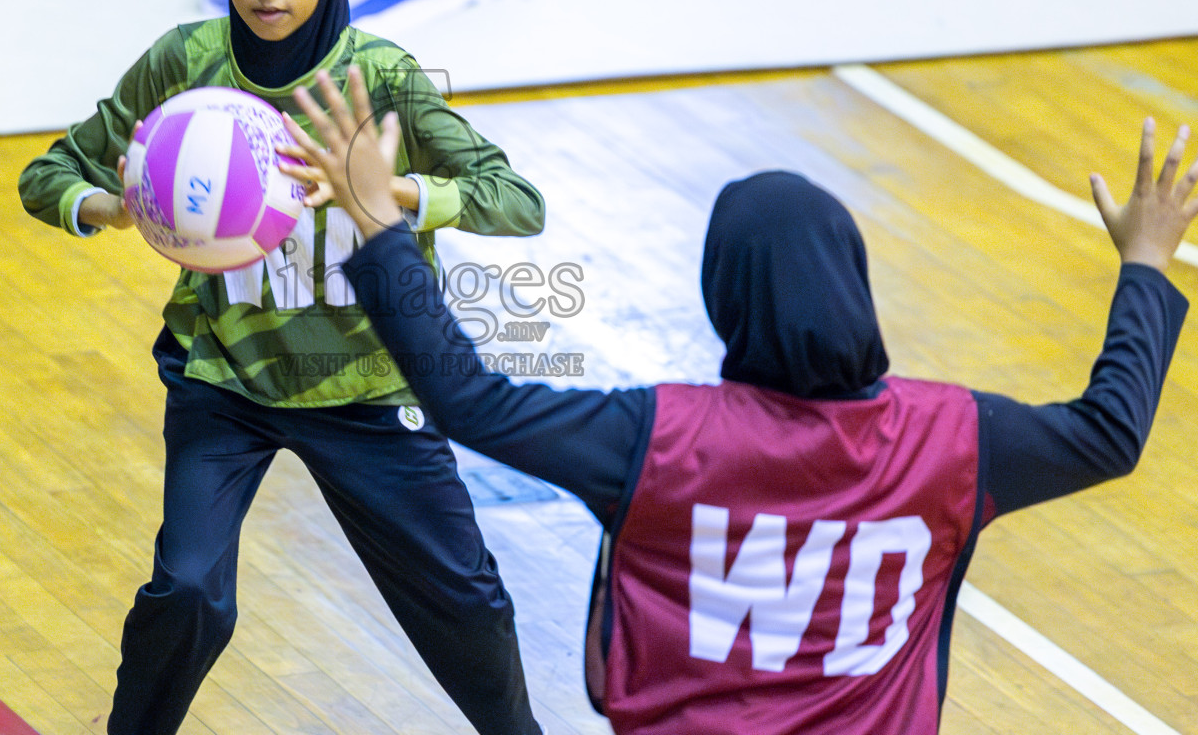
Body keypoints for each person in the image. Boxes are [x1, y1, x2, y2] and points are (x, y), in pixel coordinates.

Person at [280, 67, 1196, 735]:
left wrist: (381, 229)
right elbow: (1111, 434)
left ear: (725, 297)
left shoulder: (659, 438)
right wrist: (1147, 266)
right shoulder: (954, 439)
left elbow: (467, 401)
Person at [18, 0, 548, 735]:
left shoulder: (381, 79)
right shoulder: (186, 62)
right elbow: (48, 172)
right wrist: (105, 204)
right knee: (186, 591)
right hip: (226, 382)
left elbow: (516, 199)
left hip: (371, 390)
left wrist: (393, 192)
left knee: (465, 602)